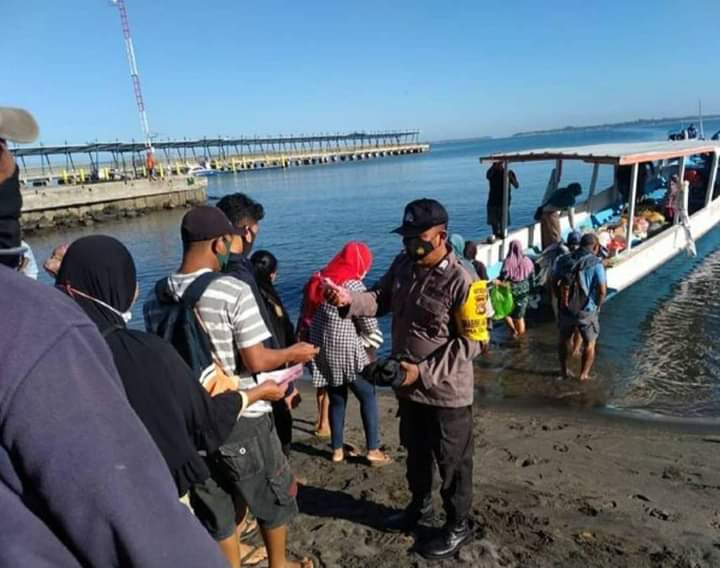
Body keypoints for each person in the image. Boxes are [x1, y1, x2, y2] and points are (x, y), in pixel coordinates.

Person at [0, 105, 230, 568]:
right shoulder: (41, 328)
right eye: (3, 149)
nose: (12, 166)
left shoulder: (55, 314)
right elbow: (143, 530)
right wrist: (247, 395)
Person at [144, 206, 318, 568]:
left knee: (218, 506)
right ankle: (278, 563)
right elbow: (256, 361)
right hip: (241, 413)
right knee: (273, 497)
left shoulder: (156, 296)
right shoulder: (231, 290)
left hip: (189, 418)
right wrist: (293, 352)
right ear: (220, 242)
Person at [325, 198, 483, 560]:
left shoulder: (464, 279)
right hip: (408, 389)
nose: (411, 243)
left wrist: (422, 372)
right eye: (406, 236)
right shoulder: (403, 265)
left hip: (446, 395)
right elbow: (380, 298)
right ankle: (420, 508)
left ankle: (458, 525)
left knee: (453, 463)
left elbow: (474, 343)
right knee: (415, 454)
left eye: (419, 236)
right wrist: (350, 299)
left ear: (441, 235)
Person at [216, 193, 301, 454]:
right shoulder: (241, 275)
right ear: (247, 231)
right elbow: (262, 334)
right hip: (252, 381)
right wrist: (287, 367)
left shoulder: (214, 268)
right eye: (255, 230)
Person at [305, 242, 389, 466]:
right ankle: (373, 449)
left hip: (324, 353)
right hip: (349, 354)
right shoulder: (353, 285)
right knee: (367, 397)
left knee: (337, 400)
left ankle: (337, 450)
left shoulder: (321, 280)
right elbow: (369, 325)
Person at [251, 249, 299, 457]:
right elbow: (286, 332)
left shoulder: (247, 293)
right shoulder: (271, 297)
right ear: (271, 274)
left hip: (252, 364)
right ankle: (283, 461)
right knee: (280, 416)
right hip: (274, 364)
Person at [553, 233, 607, 381]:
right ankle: (583, 375)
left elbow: (554, 281)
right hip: (586, 310)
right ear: (595, 247)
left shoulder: (563, 260)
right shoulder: (596, 264)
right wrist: (597, 306)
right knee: (590, 343)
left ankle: (563, 372)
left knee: (563, 339)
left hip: (566, 308)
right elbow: (602, 290)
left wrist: (560, 300)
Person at [498, 240, 535, 337]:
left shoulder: (508, 262)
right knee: (520, 316)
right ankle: (521, 337)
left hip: (510, 291)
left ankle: (513, 330)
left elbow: (503, 277)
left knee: (505, 312)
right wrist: (532, 290)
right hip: (524, 292)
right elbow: (532, 278)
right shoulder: (527, 261)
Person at [538, 182, 582, 250]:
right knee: (556, 235)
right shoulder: (571, 199)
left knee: (545, 236)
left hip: (543, 212)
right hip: (551, 214)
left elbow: (553, 202)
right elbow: (571, 215)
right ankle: (556, 252)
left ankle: (545, 250)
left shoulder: (561, 190)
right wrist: (573, 227)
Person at [486, 161, 519, 240]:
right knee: (494, 226)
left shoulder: (508, 173)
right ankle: (496, 237)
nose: (499, 165)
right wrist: (493, 167)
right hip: (493, 203)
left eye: (500, 163)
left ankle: (503, 237)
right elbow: (488, 176)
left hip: (503, 203)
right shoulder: (492, 172)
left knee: (503, 226)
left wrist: (511, 177)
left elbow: (516, 185)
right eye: (496, 164)